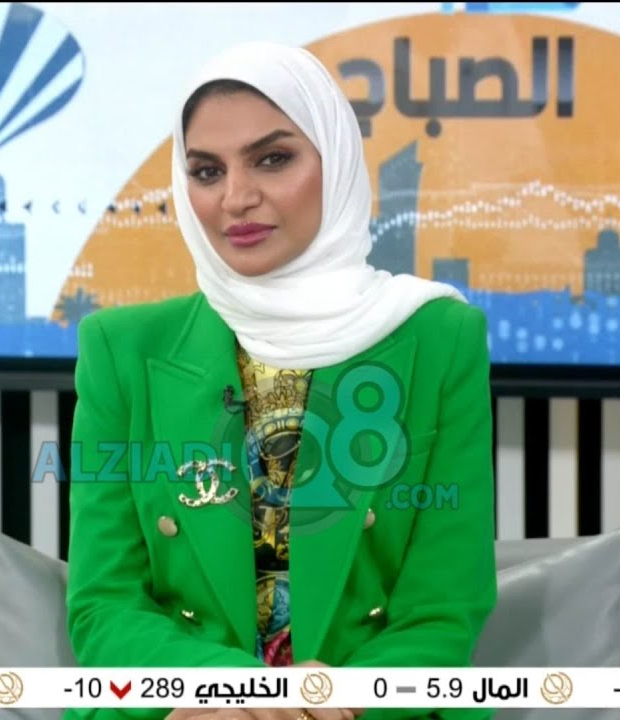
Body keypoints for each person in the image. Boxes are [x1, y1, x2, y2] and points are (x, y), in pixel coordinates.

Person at [64, 40, 497, 720]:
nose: (236, 198)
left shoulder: (439, 338)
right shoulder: (121, 349)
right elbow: (105, 605)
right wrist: (228, 690)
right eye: (206, 171)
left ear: (336, 162)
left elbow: (442, 612)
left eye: (272, 159)